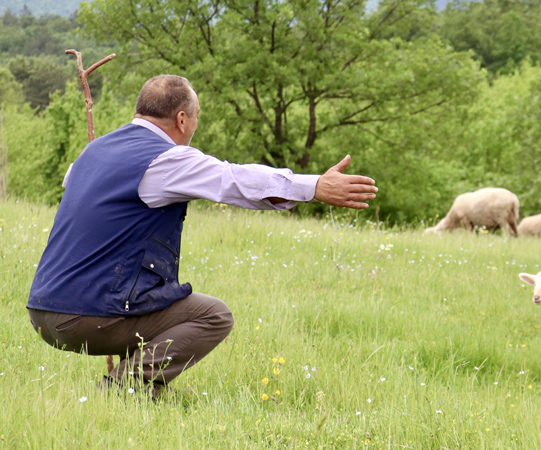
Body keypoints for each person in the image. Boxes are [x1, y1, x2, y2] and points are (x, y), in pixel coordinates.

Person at [27, 74, 378, 398]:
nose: (195, 125)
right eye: (196, 117)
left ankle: (141, 395)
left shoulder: (93, 152)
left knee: (156, 301)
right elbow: (233, 180)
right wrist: (314, 185)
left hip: (42, 311)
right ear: (182, 119)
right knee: (212, 316)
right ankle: (121, 392)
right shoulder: (163, 160)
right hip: (86, 317)